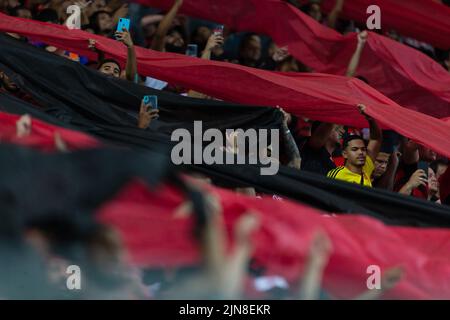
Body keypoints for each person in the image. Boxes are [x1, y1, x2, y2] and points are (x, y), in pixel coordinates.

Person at [327, 104, 382, 187]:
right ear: (345, 154)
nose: (361, 152)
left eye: (363, 149)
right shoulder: (338, 174)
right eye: (354, 149)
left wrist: (370, 119)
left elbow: (376, 139)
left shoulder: (366, 168)